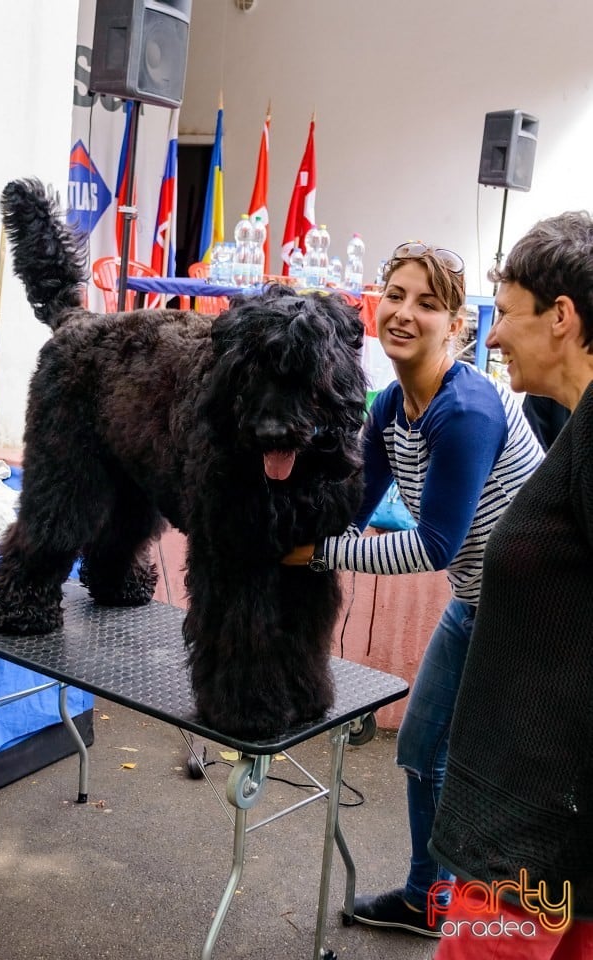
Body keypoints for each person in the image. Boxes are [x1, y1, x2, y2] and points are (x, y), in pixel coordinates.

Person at [283, 241, 545, 937]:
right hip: (479, 600)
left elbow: (435, 545)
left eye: (427, 304)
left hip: (531, 613)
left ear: (456, 324)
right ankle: (432, 898)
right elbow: (350, 507)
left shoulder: (466, 411)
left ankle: (462, 909)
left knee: (458, 761)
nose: (404, 313)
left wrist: (310, 555)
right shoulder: (390, 406)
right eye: (395, 295)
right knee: (424, 749)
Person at [429, 212, 593, 958]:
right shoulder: (566, 421)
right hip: (548, 822)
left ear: (562, 317)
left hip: (539, 825)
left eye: (506, 313)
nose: (491, 336)